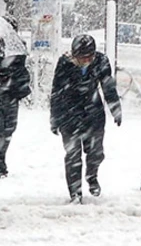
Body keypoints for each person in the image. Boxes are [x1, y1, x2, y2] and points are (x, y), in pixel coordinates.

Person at [50, 34, 122, 204]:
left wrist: (116, 109)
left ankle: (92, 175)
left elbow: (108, 87)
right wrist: (54, 118)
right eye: (81, 57)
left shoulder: (101, 62)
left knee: (96, 153)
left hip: (93, 113)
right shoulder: (64, 63)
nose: (84, 60)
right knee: (73, 155)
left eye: (88, 57)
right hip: (69, 114)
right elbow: (56, 92)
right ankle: (75, 192)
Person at [0, 52, 31, 178]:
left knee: (9, 128)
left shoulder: (17, 50)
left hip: (11, 95)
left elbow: (22, 72)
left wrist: (14, 79)